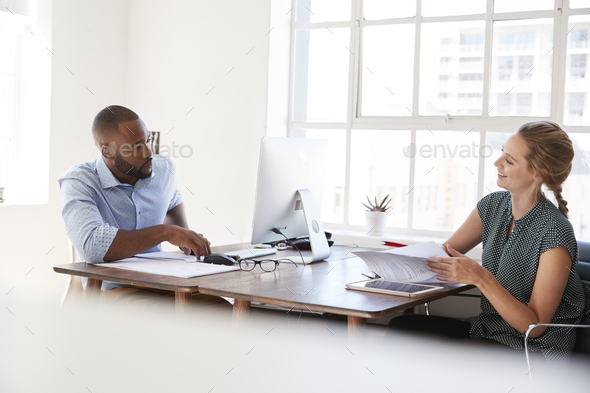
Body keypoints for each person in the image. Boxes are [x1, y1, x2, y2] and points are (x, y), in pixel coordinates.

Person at [389, 121, 585, 360]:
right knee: (402, 329)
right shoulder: (492, 206)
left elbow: (534, 327)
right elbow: (443, 255)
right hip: (487, 332)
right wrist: (390, 264)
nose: (497, 162)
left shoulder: (555, 233)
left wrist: (480, 277)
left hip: (532, 351)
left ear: (539, 172)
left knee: (445, 358)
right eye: (502, 152)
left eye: (509, 160)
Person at [59, 105, 215, 295]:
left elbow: (172, 201)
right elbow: (93, 247)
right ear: (107, 151)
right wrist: (166, 232)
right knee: (189, 320)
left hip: (163, 283)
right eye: (136, 146)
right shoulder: (79, 181)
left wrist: (184, 236)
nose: (148, 153)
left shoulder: (164, 169)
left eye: (147, 141)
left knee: (228, 313)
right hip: (114, 291)